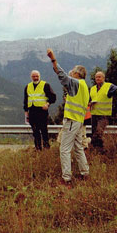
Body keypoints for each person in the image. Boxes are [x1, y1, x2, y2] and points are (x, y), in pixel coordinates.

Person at [47, 49, 90, 186]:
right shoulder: (84, 86)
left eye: (73, 71)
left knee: (64, 149)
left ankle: (67, 178)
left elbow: (62, 76)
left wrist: (53, 59)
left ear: (77, 73)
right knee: (78, 148)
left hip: (71, 120)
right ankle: (85, 173)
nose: (71, 72)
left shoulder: (76, 83)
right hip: (78, 121)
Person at [89, 71, 117, 150]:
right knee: (94, 134)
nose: (97, 78)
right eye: (96, 77)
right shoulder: (93, 88)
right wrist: (90, 103)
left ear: (104, 78)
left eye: (99, 77)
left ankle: (100, 150)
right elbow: (90, 99)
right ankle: (97, 151)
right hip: (94, 115)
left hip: (104, 116)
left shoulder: (109, 86)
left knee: (98, 133)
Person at [24, 70, 57, 150]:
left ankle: (46, 148)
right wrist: (26, 112)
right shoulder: (28, 86)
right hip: (32, 111)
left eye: (37, 76)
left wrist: (47, 104)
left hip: (42, 111)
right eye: (33, 76)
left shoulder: (45, 85)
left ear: (39, 76)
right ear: (31, 77)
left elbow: (53, 97)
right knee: (35, 132)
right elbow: (26, 100)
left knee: (44, 130)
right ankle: (38, 148)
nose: (35, 78)